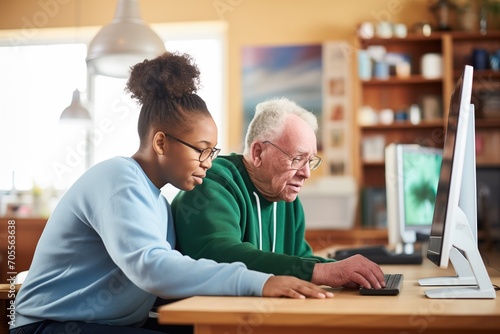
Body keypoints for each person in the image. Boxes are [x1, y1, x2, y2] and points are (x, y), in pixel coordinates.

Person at [10, 54, 332, 334]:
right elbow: (152, 267)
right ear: (161, 143)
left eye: (213, 152)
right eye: (202, 151)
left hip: (110, 325)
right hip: (48, 326)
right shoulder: (118, 177)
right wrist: (258, 281)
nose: (209, 164)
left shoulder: (159, 203)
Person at [172, 97, 386, 290]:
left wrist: (347, 272)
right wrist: (322, 272)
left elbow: (300, 259)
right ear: (258, 153)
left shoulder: (285, 197)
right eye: (297, 159)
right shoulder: (212, 183)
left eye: (310, 161)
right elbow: (221, 255)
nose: (306, 173)